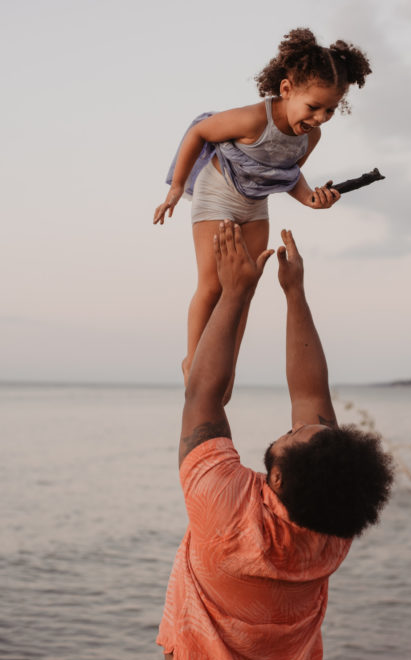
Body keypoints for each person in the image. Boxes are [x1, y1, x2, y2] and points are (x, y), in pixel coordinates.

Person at [156, 220, 393, 660]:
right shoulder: (332, 527)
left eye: (293, 434)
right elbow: (310, 392)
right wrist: (294, 293)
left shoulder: (225, 508)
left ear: (277, 478)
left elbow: (202, 394)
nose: (295, 424)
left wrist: (237, 292)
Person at [153, 28, 372, 399]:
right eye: (313, 106)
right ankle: (193, 360)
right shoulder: (255, 119)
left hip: (255, 203)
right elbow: (199, 132)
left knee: (244, 287)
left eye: (330, 110)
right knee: (213, 282)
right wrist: (176, 187)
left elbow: (287, 175)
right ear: (287, 90)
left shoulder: (309, 137)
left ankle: (225, 366)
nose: (320, 117)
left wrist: (311, 199)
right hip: (218, 193)